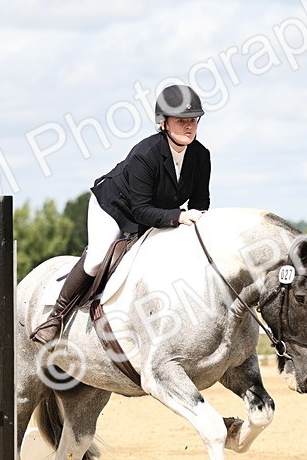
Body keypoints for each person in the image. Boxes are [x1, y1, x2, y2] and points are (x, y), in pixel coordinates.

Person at [29, 84, 212, 343]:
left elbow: (200, 202)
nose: (189, 126)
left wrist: (195, 220)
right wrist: (179, 217)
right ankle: (55, 317)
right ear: (163, 122)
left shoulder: (201, 156)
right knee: (96, 259)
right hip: (114, 206)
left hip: (157, 213)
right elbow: (141, 209)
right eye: (181, 121)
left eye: (193, 120)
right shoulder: (145, 154)